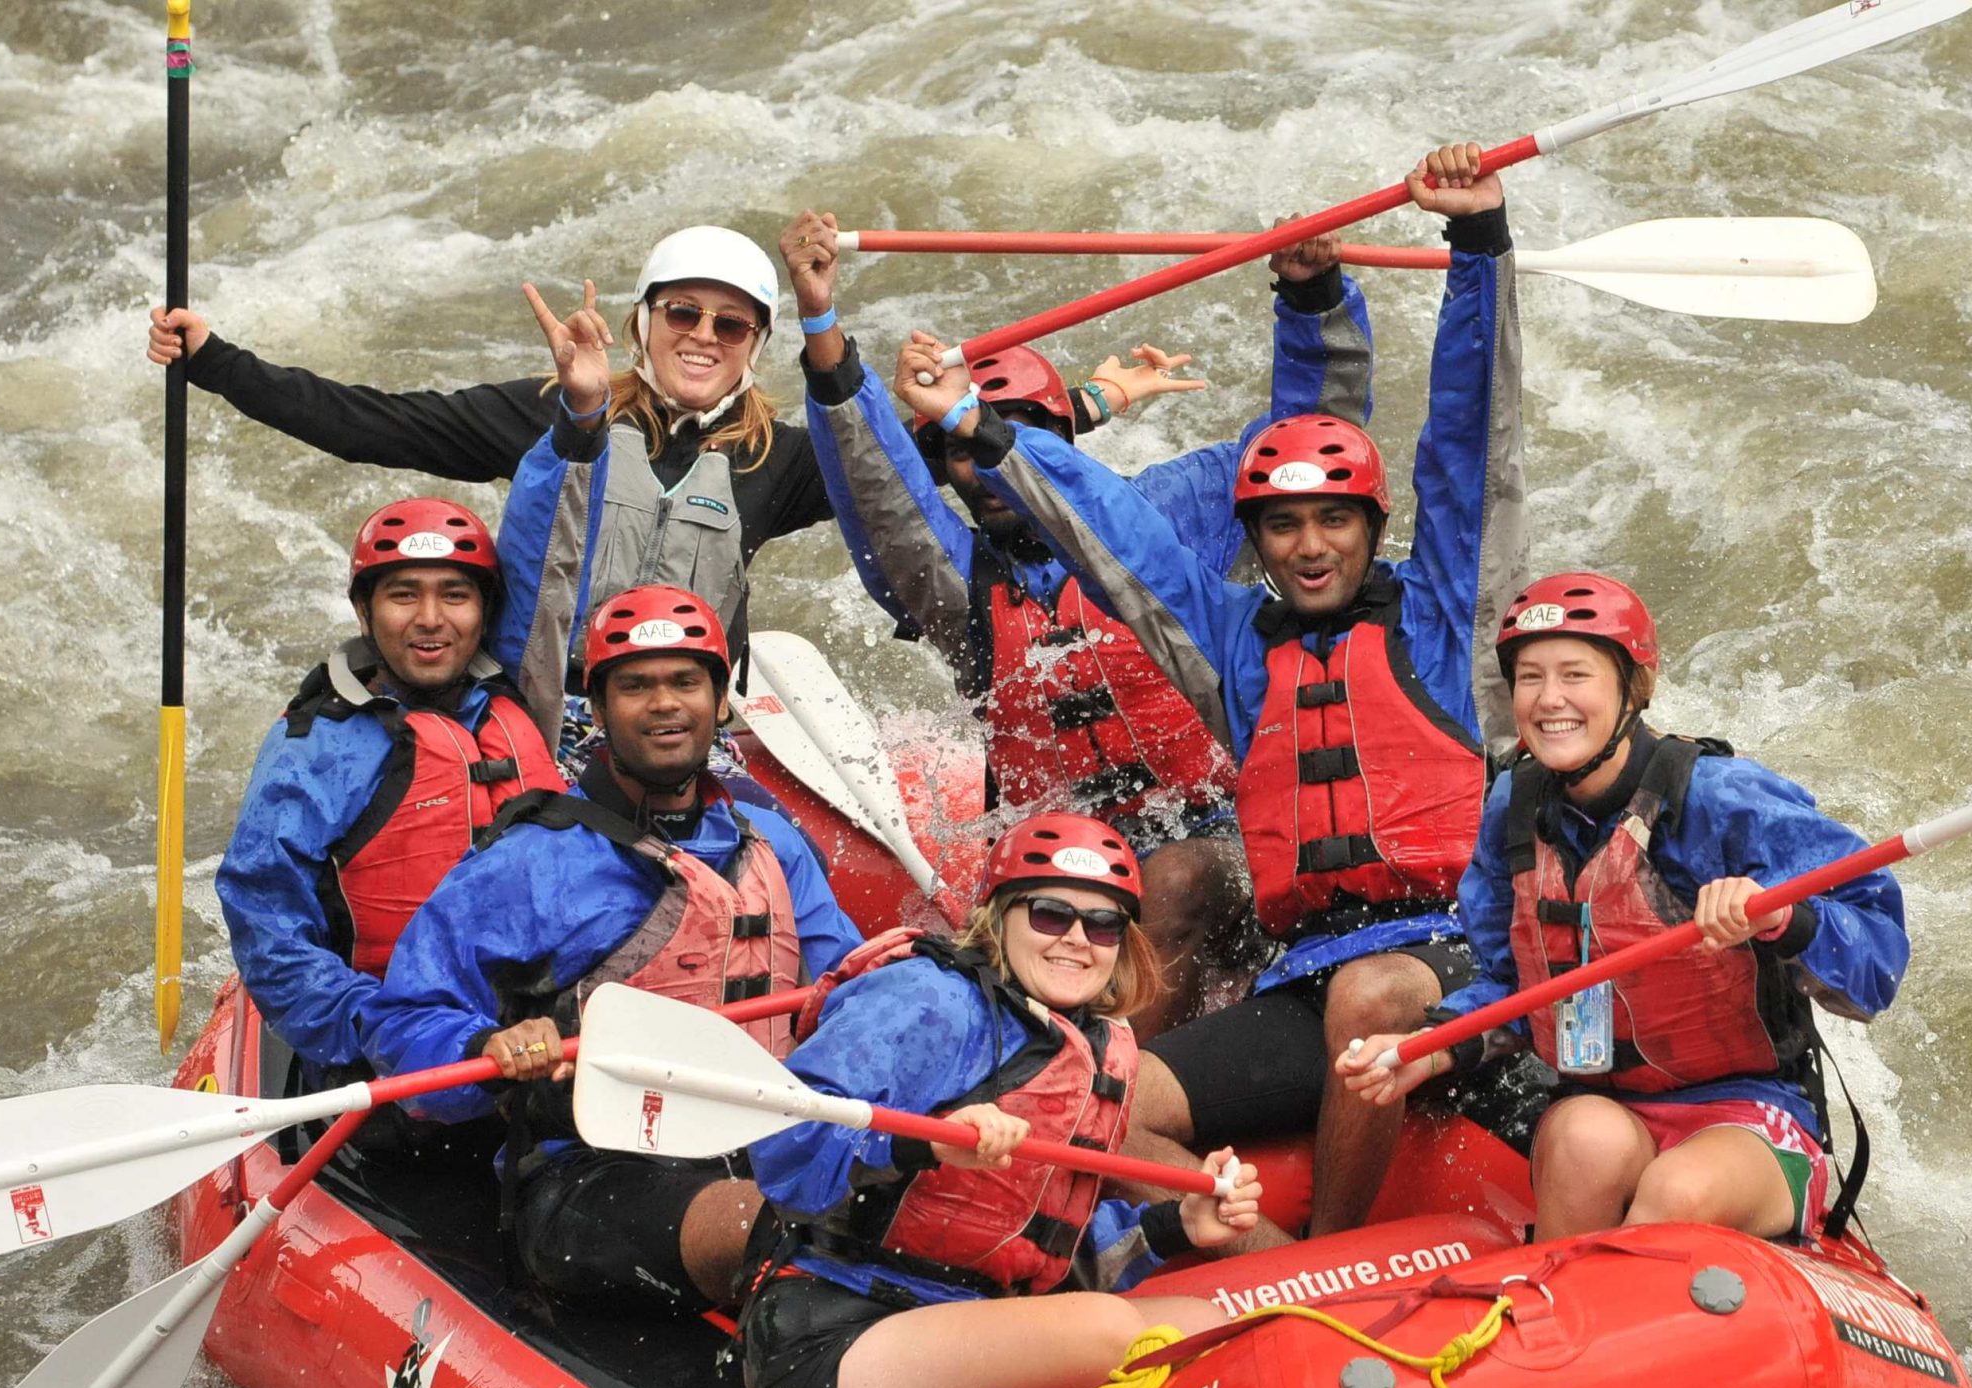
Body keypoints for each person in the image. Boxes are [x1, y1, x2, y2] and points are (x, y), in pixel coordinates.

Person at [901, 144, 1524, 1235]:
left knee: (1369, 1000)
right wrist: (974, 428)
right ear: (1256, 541)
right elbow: (1113, 530)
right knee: (1097, 1097)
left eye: (1334, 517)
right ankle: (1257, 1251)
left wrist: (1476, 244)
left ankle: (1327, 1254)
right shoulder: (1235, 645)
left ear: (1371, 528)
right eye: (1282, 524)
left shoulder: (1436, 618)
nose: (1310, 544)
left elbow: (1472, 440)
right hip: (1304, 976)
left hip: (1454, 963)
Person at [782, 208, 1377, 1033]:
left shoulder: (1164, 514)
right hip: (1062, 863)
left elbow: (1309, 445)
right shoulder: (959, 589)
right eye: (965, 450)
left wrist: (1310, 294)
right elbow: (882, 501)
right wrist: (824, 336)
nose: (986, 466)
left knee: (1171, 882)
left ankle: (1125, 1083)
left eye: (1016, 435)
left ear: (1064, 440)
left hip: (1228, 836)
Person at [1336, 573, 1909, 1241]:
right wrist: (1426, 1051)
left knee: (1676, 1189)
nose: (1550, 700)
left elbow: (1878, 963)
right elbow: (1512, 991)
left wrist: (1782, 918)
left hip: (1753, 1112)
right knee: (1581, 1140)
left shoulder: (1720, 799)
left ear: (1630, 688)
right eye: (1530, 678)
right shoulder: (1513, 809)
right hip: (1612, 1106)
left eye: (1575, 674)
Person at [363, 585, 864, 1309]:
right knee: (786, 1226)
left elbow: (849, 992)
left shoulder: (774, 845)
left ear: (721, 703)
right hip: (589, 1176)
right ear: (597, 713)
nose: (665, 703)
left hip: (763, 1144)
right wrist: (489, 1043)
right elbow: (403, 1019)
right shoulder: (532, 861)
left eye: (686, 682)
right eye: (636, 686)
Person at [149, 226, 830, 748]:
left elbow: (900, 490)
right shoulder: (553, 412)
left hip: (674, 738)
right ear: (644, 322)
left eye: (731, 324)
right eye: (683, 313)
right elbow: (377, 425)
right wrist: (215, 360)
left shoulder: (780, 457)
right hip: (536, 725)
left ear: (757, 343)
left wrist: (937, 413)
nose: (704, 337)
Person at [735, 812, 1263, 1388]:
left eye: (1102, 925)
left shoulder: (1099, 1048)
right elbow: (787, 1147)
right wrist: (924, 1143)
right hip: (833, 1335)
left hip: (970, 1320)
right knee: (1106, 1333)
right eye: (1049, 914)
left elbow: (1037, 1250)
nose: (1077, 939)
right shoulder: (925, 999)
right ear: (1000, 915)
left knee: (1210, 1329)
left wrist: (1177, 1226)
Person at [215, 496, 565, 1154]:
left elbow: (558, 540)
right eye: (404, 595)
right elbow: (270, 939)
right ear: (364, 612)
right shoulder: (313, 751)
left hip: (548, 1041)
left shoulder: (517, 713)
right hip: (390, 1066)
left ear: (484, 611)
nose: (431, 620)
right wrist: (392, 1030)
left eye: (455, 596)